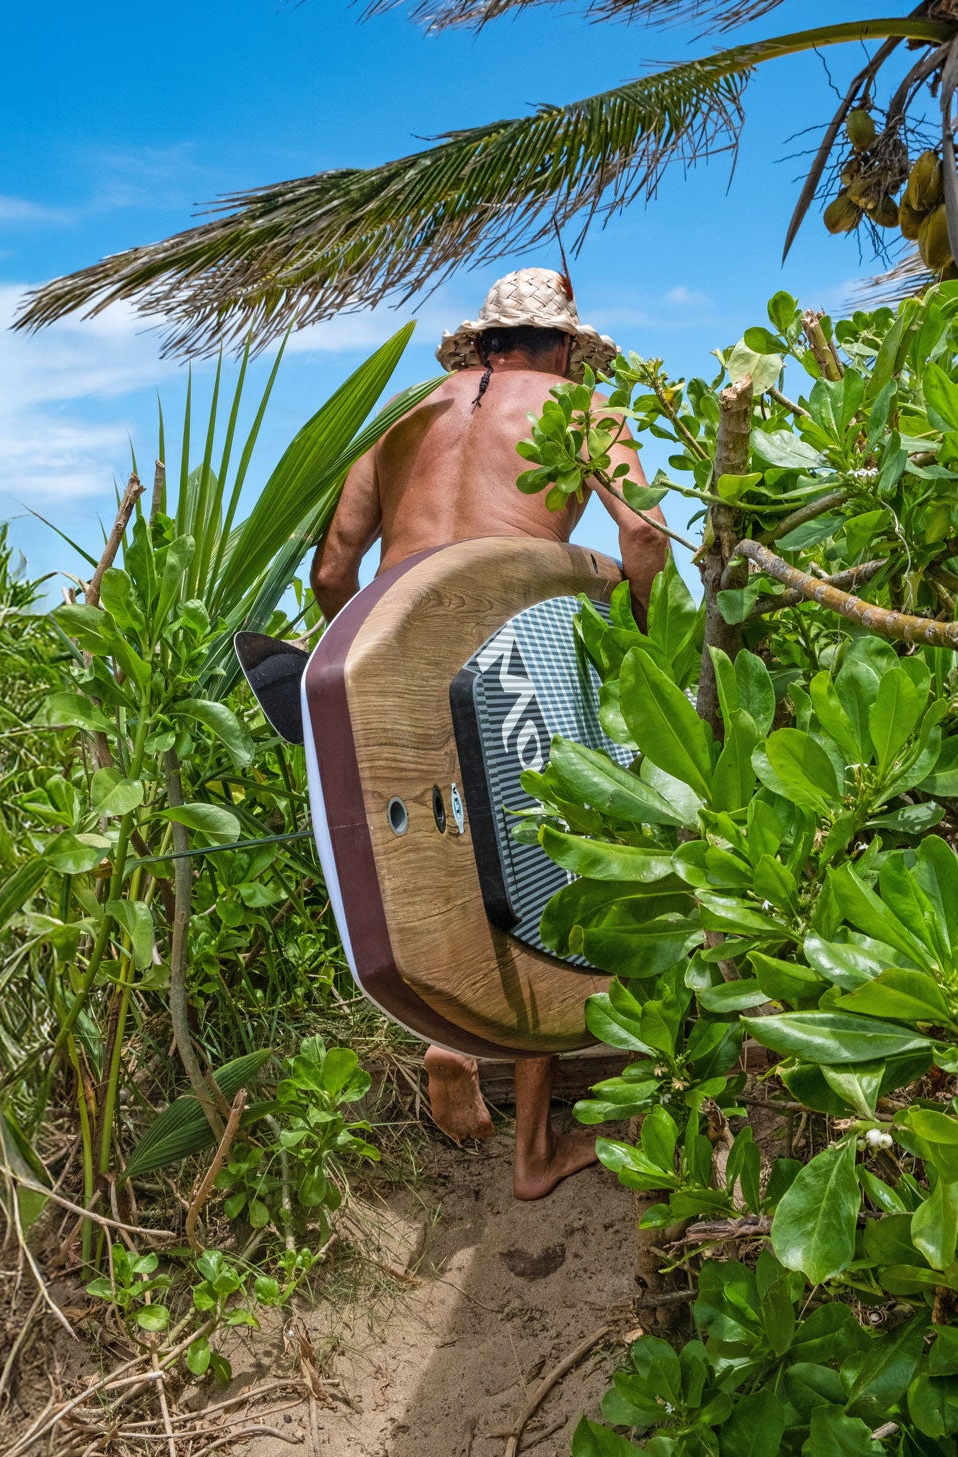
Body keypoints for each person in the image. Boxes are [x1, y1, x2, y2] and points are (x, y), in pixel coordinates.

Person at [309, 268, 670, 1199]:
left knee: (436, 858)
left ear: (482, 347)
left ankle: (443, 1033)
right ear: (562, 347)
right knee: (546, 872)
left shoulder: (398, 423)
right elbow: (646, 539)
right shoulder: (576, 409)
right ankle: (533, 1151)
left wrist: (368, 665)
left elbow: (330, 569)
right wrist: (638, 642)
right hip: (513, 646)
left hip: (397, 648)